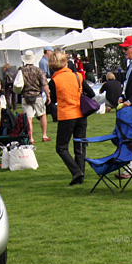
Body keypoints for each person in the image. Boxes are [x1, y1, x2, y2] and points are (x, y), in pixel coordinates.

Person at [49, 50, 94, 187]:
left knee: (61, 147)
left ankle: (76, 172)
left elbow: (54, 99)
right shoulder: (77, 75)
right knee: (79, 146)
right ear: (65, 62)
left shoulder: (54, 80)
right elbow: (91, 93)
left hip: (67, 115)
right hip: (81, 114)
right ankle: (80, 175)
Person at [18, 49, 50, 144]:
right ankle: (44, 135)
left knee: (29, 118)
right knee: (42, 114)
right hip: (37, 95)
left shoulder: (21, 71)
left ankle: (31, 137)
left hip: (25, 95)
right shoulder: (38, 70)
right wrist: (48, 95)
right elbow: (44, 84)